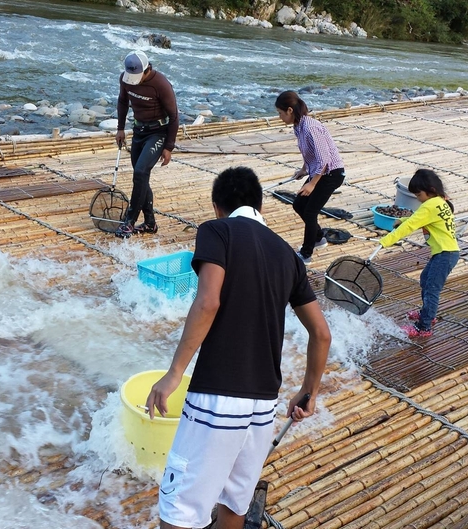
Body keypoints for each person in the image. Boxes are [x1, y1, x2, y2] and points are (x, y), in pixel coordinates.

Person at [145, 166, 331, 529]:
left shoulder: (217, 231)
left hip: (217, 399)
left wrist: (173, 374)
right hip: (262, 406)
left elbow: (208, 302)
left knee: (180, 511)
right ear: (260, 205)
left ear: (219, 207)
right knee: (234, 505)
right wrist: (309, 392)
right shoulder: (288, 255)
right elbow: (321, 333)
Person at [379, 168, 459, 339]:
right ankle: (427, 314)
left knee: (432, 289)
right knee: (425, 280)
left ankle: (424, 327)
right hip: (446, 252)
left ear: (430, 190)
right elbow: (417, 219)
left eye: (418, 195)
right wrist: (401, 220)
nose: (417, 198)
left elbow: (411, 225)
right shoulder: (439, 202)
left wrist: (387, 240)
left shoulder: (430, 205)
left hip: (446, 254)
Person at [274, 90, 346, 265]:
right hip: (319, 172)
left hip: (331, 173)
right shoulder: (298, 127)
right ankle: (319, 237)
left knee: (310, 211)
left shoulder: (311, 127)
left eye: (280, 113)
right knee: (299, 204)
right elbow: (310, 154)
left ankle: (306, 254)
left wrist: (312, 184)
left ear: (290, 110)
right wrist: (304, 169)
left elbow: (324, 160)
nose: (280, 117)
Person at [114, 50, 179, 238]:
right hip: (138, 132)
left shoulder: (161, 84)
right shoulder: (125, 79)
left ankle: (129, 222)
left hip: (157, 132)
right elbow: (122, 102)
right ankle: (150, 223)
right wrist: (120, 128)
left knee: (141, 172)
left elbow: (174, 116)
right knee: (141, 176)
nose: (133, 80)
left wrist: (168, 147)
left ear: (147, 69)